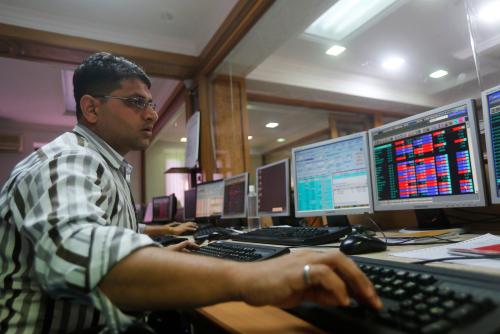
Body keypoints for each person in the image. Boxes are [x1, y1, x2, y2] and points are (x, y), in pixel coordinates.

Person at [0, 52, 382, 333]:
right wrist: (251, 278)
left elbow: (100, 235)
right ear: (91, 108)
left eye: (150, 103)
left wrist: (152, 252)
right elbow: (78, 253)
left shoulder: (106, 164)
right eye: (136, 102)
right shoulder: (67, 159)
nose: (150, 114)